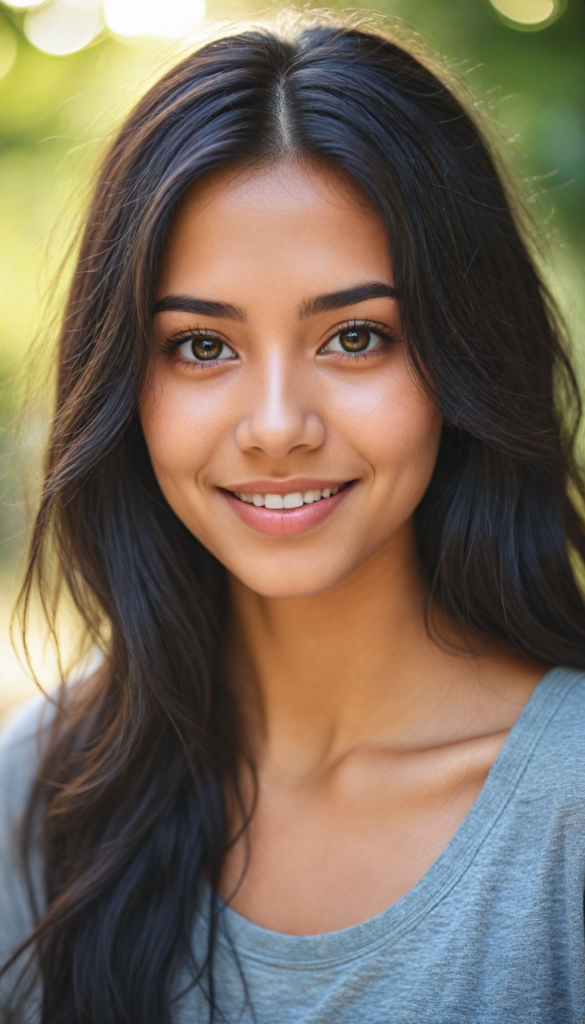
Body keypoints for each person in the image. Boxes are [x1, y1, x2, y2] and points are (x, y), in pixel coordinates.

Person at [1, 17, 584, 1024]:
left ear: (463, 358)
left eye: (356, 336)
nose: (276, 427)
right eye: (199, 345)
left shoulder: (566, 818)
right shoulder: (47, 786)